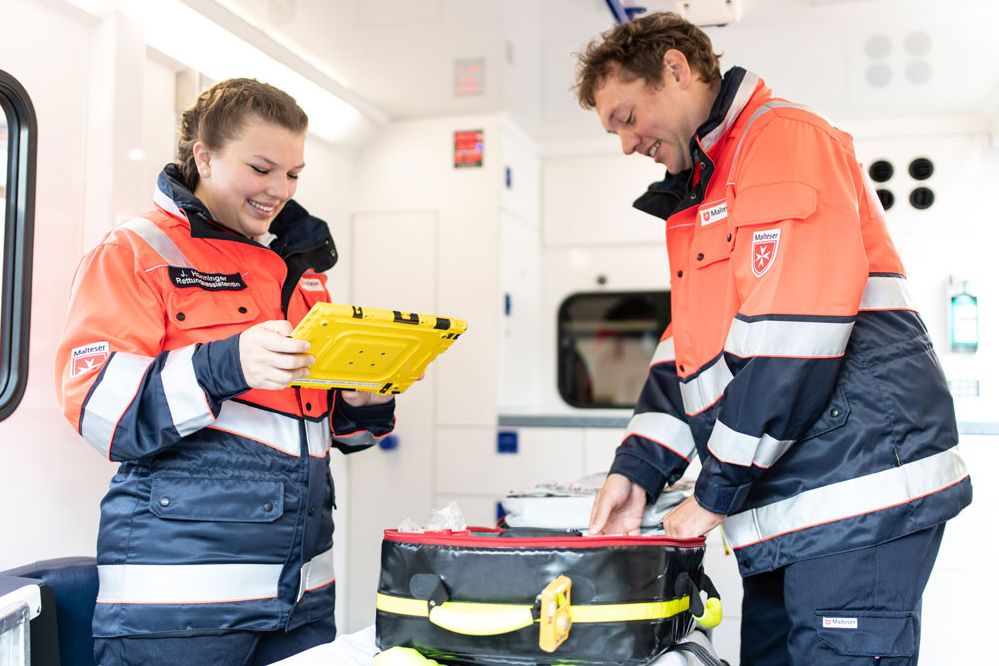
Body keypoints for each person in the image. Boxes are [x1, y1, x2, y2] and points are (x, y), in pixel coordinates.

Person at [576, 13, 971, 665]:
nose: (624, 145)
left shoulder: (781, 140)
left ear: (673, 70)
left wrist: (714, 490)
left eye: (624, 118)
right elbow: (692, 350)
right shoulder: (707, 193)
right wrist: (638, 470)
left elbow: (795, 331)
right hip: (787, 506)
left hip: (851, 498)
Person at [55, 78, 396, 665]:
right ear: (204, 156)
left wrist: (364, 404)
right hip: (178, 607)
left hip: (303, 597)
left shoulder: (300, 270)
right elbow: (100, 412)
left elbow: (328, 433)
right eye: (262, 167)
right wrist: (225, 364)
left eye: (293, 174)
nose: (279, 191)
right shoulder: (135, 251)